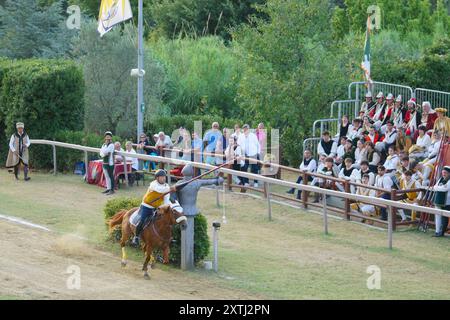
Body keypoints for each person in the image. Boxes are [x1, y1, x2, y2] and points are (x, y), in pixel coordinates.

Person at [131, 169, 177, 246]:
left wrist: (167, 209)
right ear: (157, 178)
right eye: (161, 177)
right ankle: (136, 237)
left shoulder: (166, 187)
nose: (163, 178)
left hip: (155, 208)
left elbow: (166, 201)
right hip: (146, 206)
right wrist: (170, 189)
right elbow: (160, 190)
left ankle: (168, 238)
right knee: (142, 220)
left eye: (164, 177)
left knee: (166, 221)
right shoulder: (153, 184)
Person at [432, 166, 450, 237]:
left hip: (447, 202)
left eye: (445, 173)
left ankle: (442, 232)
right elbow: (434, 187)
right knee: (438, 216)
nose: (443, 174)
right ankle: (437, 231)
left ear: (449, 173)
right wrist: (439, 188)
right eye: (443, 172)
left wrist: (437, 188)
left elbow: (445, 189)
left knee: (444, 218)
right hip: (438, 201)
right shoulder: (440, 179)